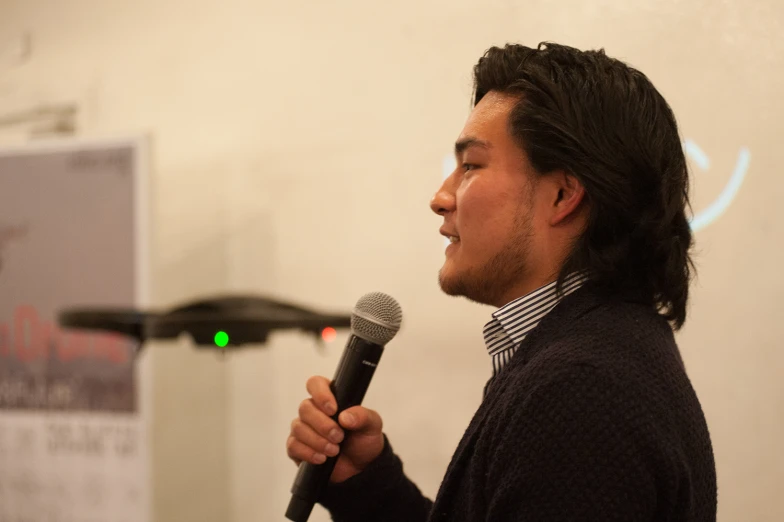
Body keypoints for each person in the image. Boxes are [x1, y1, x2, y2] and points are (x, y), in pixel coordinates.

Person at [286, 42, 717, 521]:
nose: (441, 197)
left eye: (470, 165)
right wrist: (367, 484)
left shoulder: (581, 392)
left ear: (562, 195)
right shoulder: (597, 355)